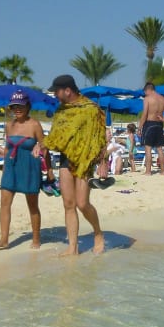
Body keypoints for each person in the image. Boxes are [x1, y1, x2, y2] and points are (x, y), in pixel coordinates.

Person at [44, 74, 106, 255]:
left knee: (82, 203)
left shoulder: (91, 110)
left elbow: (99, 138)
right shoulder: (61, 111)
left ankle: (98, 233)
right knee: (68, 203)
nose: (55, 95)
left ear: (67, 90)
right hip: (66, 159)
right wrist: (44, 145)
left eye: (56, 91)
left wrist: (102, 162)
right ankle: (73, 247)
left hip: (85, 161)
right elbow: (56, 135)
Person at [0, 90, 48, 249]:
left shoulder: (34, 125)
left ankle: (36, 239)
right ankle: (4, 239)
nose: (17, 109)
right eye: (14, 106)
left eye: (20, 106)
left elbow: (45, 146)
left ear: (27, 106)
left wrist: (49, 170)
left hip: (30, 167)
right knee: (4, 202)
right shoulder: (9, 126)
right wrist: (4, 168)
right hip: (11, 167)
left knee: (32, 205)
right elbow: (8, 148)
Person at [137, 81, 164, 175]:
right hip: (159, 124)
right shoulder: (162, 99)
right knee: (159, 148)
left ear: (148, 90)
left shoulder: (147, 98)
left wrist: (139, 127)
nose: (144, 93)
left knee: (148, 148)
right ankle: (162, 171)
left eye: (144, 92)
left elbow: (145, 113)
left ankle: (148, 171)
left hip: (149, 124)